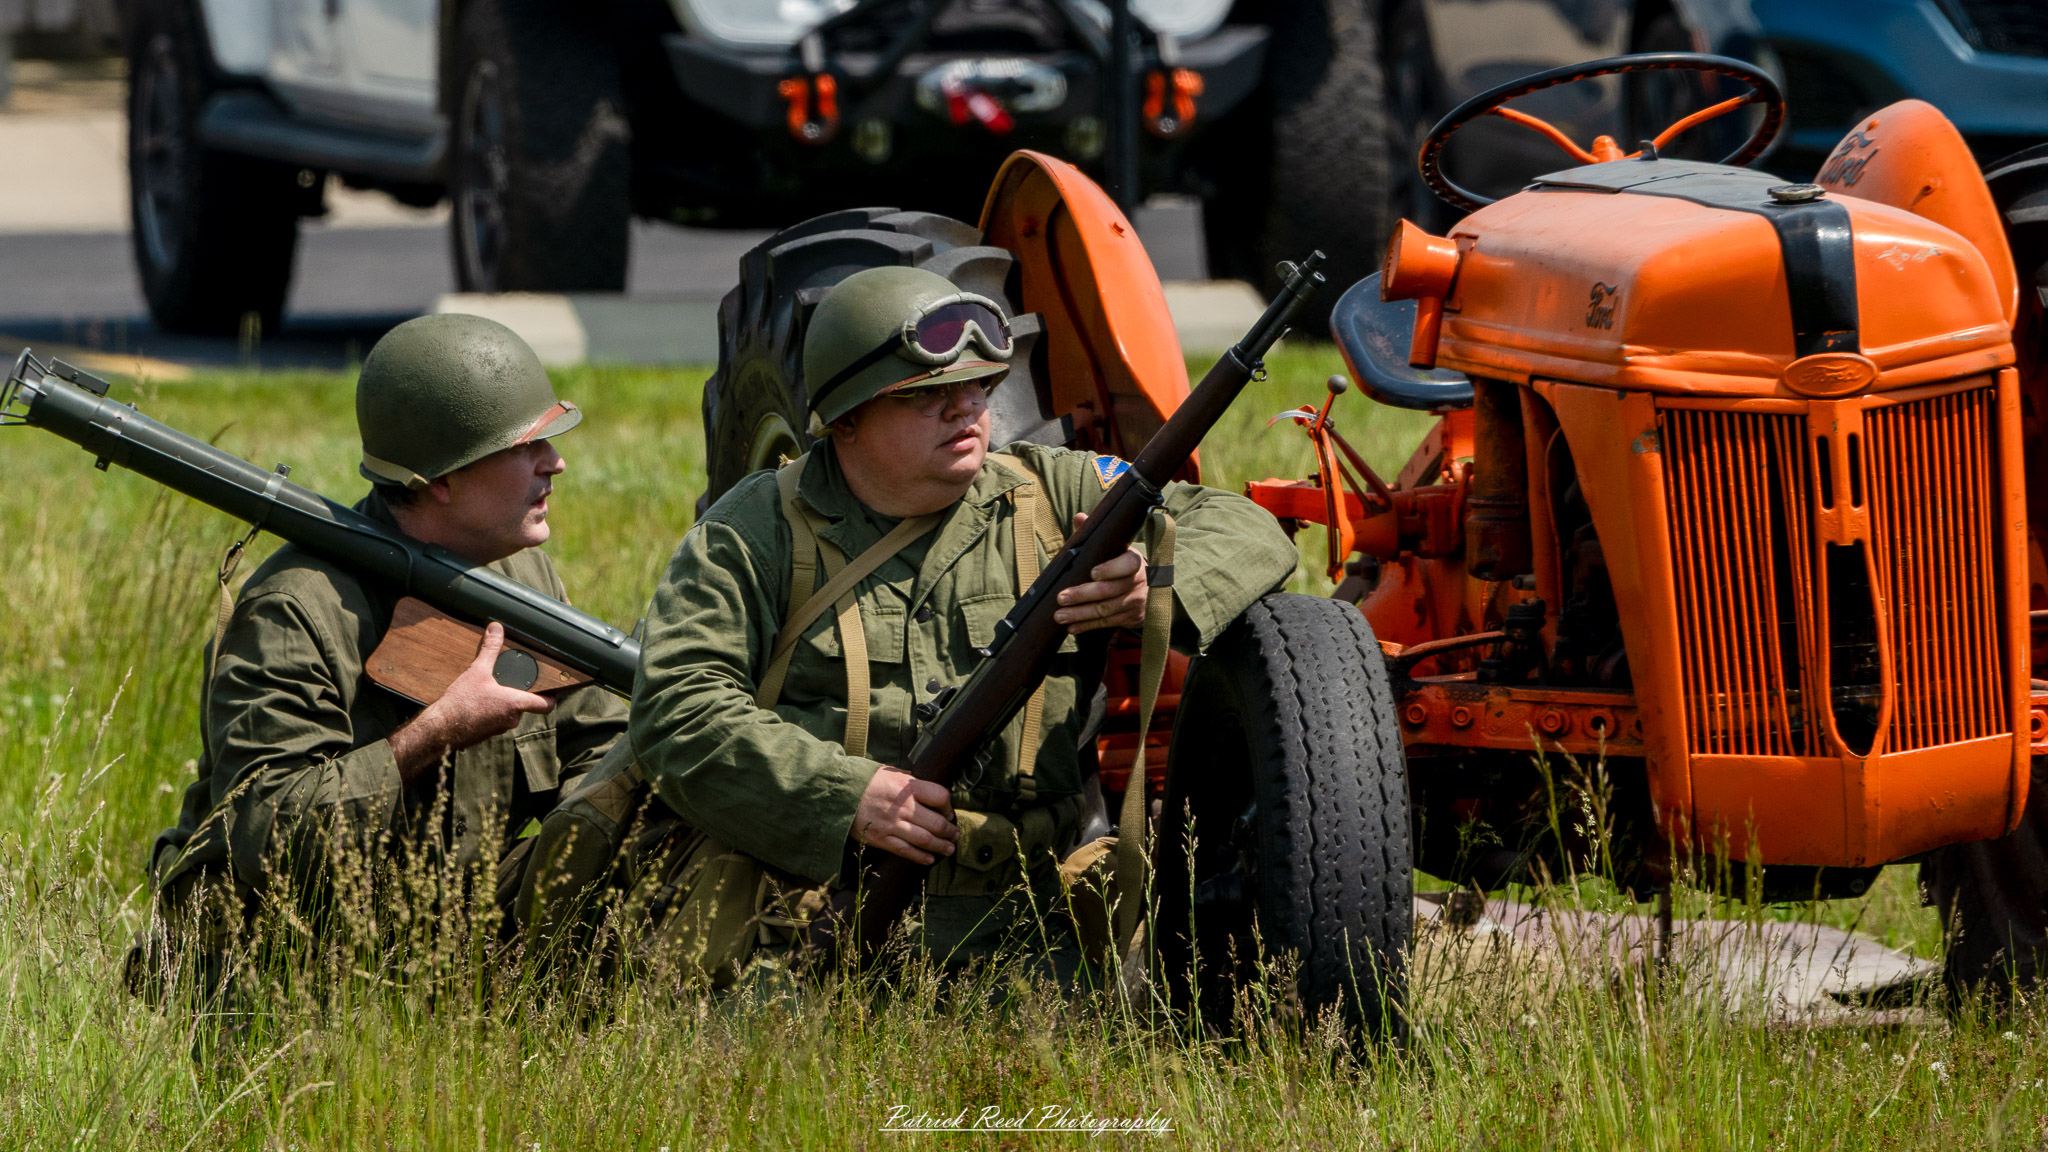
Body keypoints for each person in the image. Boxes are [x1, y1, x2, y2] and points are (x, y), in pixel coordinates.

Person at [521, 265, 1296, 984]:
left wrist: (1151, 587)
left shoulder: (1053, 490)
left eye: (981, 386)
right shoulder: (754, 530)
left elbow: (1242, 529)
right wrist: (847, 795)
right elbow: (679, 711)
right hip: (810, 903)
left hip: (1031, 911)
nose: (968, 409)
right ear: (846, 419)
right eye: (927, 395)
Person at [132, 314, 626, 992]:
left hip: (460, 925)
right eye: (523, 447)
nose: (555, 463)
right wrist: (433, 733)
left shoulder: (520, 578)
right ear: (439, 481)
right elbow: (267, 838)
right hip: (300, 959)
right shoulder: (295, 609)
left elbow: (601, 738)